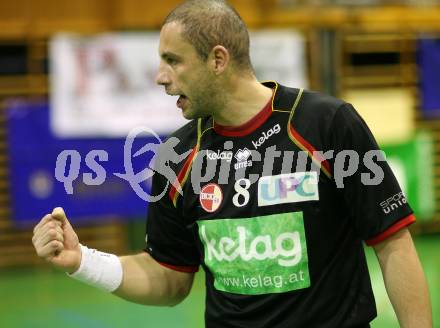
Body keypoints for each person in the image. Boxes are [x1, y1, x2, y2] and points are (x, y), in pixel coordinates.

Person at [32, 0, 433, 327]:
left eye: (173, 60)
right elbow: (170, 277)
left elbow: (392, 242)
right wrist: (82, 260)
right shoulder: (176, 157)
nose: (160, 76)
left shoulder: (327, 125)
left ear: (218, 59)